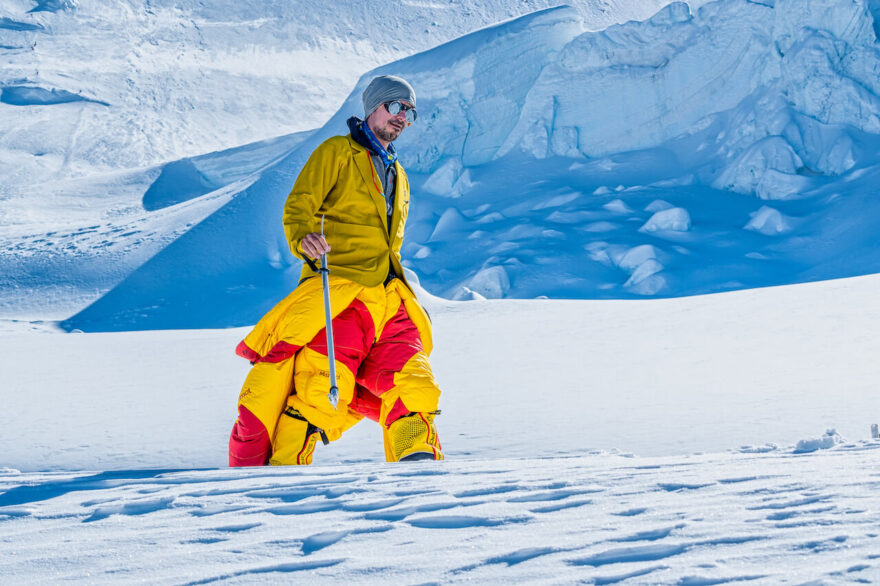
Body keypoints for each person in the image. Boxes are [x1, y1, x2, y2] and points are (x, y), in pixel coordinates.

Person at [228, 75, 444, 466]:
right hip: (342, 290)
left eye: (409, 112)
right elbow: (299, 205)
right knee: (323, 387)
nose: (402, 118)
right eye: (395, 107)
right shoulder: (337, 152)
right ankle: (279, 477)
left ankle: (419, 470)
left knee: (414, 383)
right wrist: (304, 238)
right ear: (373, 107)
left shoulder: (400, 175)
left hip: (389, 295)